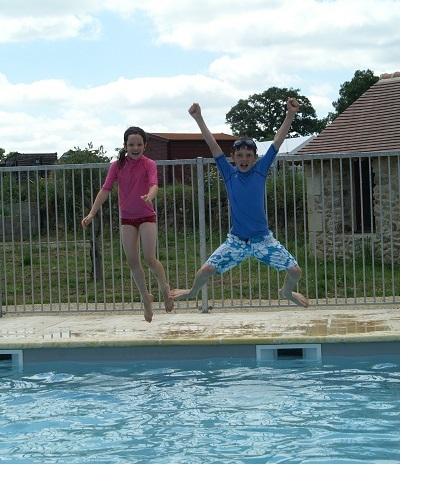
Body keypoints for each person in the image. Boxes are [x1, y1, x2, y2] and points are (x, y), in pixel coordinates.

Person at [170, 100, 309, 308]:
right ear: (233, 157)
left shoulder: (260, 171)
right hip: (236, 241)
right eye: (240, 155)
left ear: (254, 158)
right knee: (205, 270)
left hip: (262, 240)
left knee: (295, 271)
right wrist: (198, 118)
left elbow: (277, 143)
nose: (244, 159)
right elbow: (213, 145)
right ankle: (192, 292)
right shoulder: (229, 174)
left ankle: (286, 292)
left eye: (248, 156)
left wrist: (289, 115)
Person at [81, 126, 174, 322]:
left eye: (139, 144)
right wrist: (91, 213)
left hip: (147, 216)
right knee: (132, 261)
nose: (135, 147)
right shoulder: (117, 165)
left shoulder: (149, 163)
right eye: (131, 144)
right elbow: (105, 190)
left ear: (145, 146)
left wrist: (150, 195)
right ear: (125, 145)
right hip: (127, 219)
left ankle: (165, 288)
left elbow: (154, 184)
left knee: (149, 258)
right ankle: (146, 298)